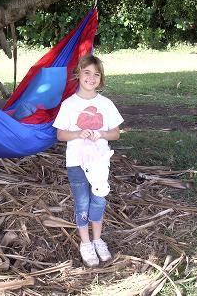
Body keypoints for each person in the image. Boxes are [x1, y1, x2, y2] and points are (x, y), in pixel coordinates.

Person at [53, 54, 124, 267]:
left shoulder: (106, 104)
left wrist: (100, 134)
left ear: (100, 79)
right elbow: (60, 135)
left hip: (100, 161)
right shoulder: (69, 104)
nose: (91, 78)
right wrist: (78, 134)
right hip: (76, 161)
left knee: (99, 199)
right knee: (82, 201)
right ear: (78, 74)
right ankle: (85, 242)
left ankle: (97, 239)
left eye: (96, 74)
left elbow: (116, 133)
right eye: (87, 73)